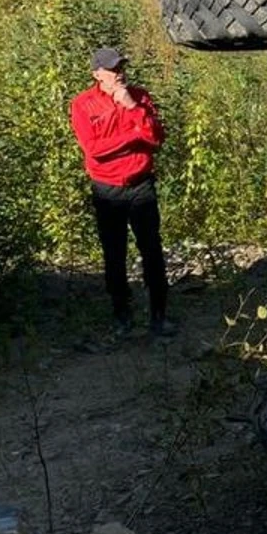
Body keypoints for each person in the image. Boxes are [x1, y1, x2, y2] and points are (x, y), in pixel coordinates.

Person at [69, 46, 174, 338]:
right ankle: (122, 317)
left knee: (152, 250)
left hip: (141, 185)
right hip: (107, 190)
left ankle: (159, 316)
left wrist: (131, 106)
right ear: (97, 74)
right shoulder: (83, 105)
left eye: (121, 68)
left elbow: (155, 137)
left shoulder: (138, 96)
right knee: (114, 254)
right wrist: (133, 135)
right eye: (112, 70)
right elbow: (94, 150)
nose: (119, 74)